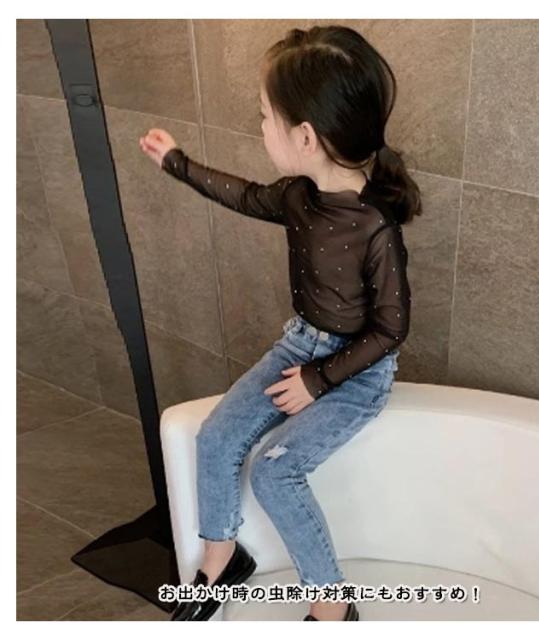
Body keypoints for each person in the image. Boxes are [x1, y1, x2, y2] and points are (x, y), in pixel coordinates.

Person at [140, 24, 421, 622]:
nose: (261, 128)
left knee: (275, 472)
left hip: (357, 375)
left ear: (306, 136)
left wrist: (319, 380)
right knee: (216, 437)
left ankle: (333, 604)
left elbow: (391, 329)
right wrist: (177, 163)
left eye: (265, 117)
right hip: (300, 346)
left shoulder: (375, 227)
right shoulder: (298, 195)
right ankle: (221, 560)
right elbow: (244, 196)